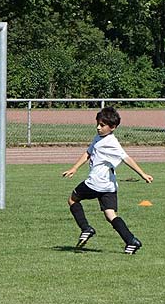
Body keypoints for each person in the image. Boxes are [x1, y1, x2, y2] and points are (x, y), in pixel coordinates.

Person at [61, 106, 153, 254]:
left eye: (102, 125)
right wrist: (74, 168)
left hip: (95, 183)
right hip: (109, 185)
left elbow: (126, 158)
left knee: (72, 200)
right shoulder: (98, 138)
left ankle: (86, 228)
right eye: (98, 124)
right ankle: (131, 241)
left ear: (113, 127)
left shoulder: (111, 142)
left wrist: (142, 174)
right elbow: (88, 153)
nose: (98, 127)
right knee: (110, 215)